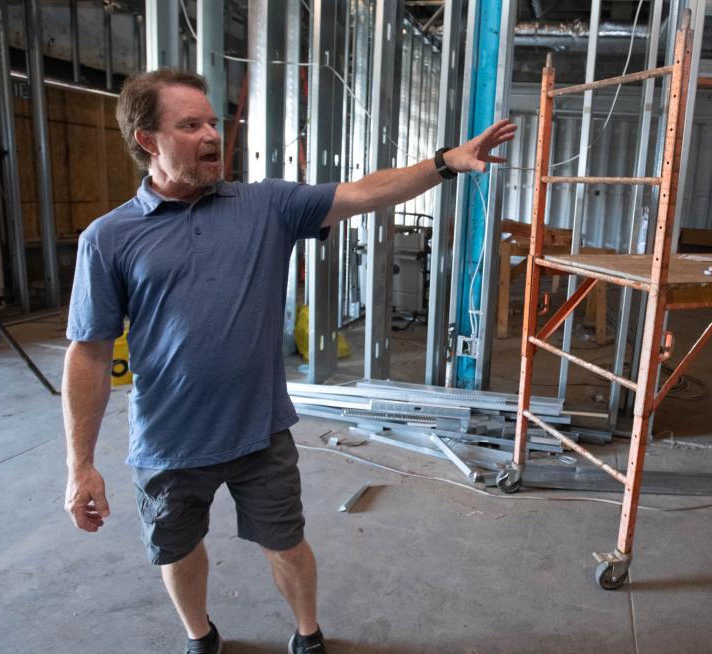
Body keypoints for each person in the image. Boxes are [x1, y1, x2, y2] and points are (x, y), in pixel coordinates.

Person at [62, 68, 516, 654]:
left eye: (211, 122)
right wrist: (81, 464)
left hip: (259, 429)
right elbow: (90, 353)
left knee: (286, 542)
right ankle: (201, 637)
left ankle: (308, 634)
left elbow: (364, 191)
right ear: (148, 139)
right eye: (190, 124)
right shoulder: (109, 237)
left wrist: (445, 162)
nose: (209, 135)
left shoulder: (265, 206)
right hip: (168, 439)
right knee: (175, 548)